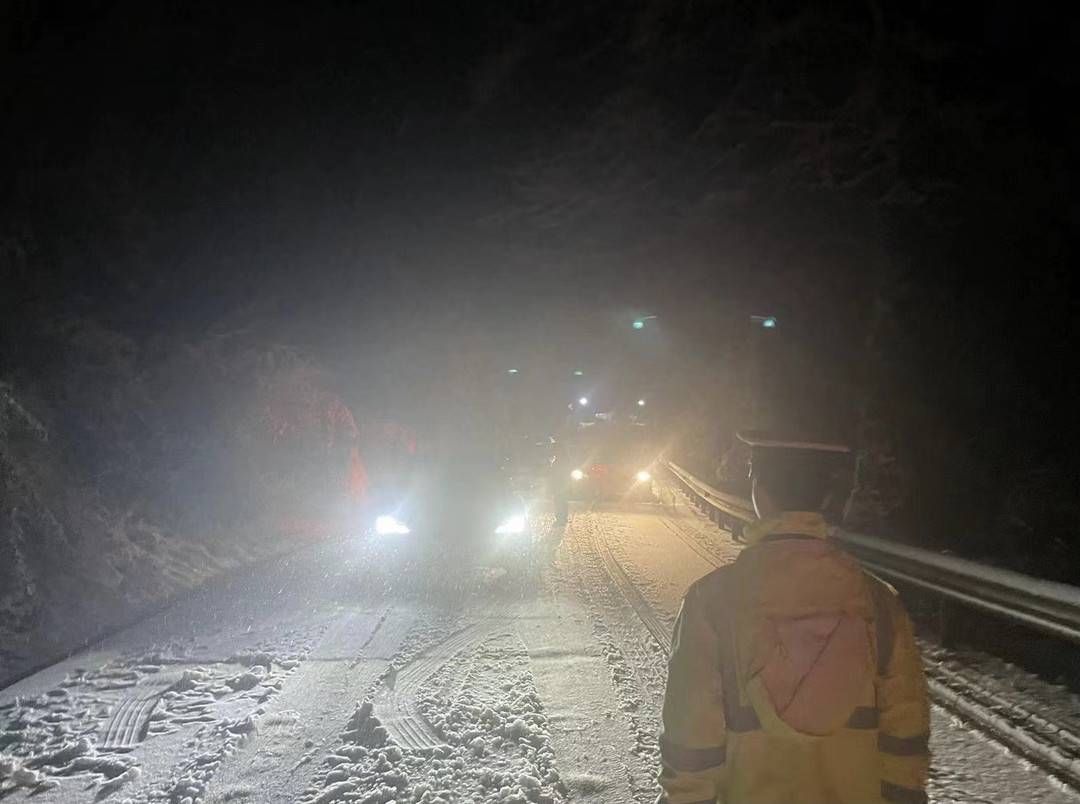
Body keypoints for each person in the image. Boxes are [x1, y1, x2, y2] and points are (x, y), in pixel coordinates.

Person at [657, 431, 930, 804]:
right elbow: (906, 748)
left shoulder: (712, 603)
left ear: (759, 491)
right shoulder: (881, 606)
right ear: (830, 497)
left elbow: (690, 747)